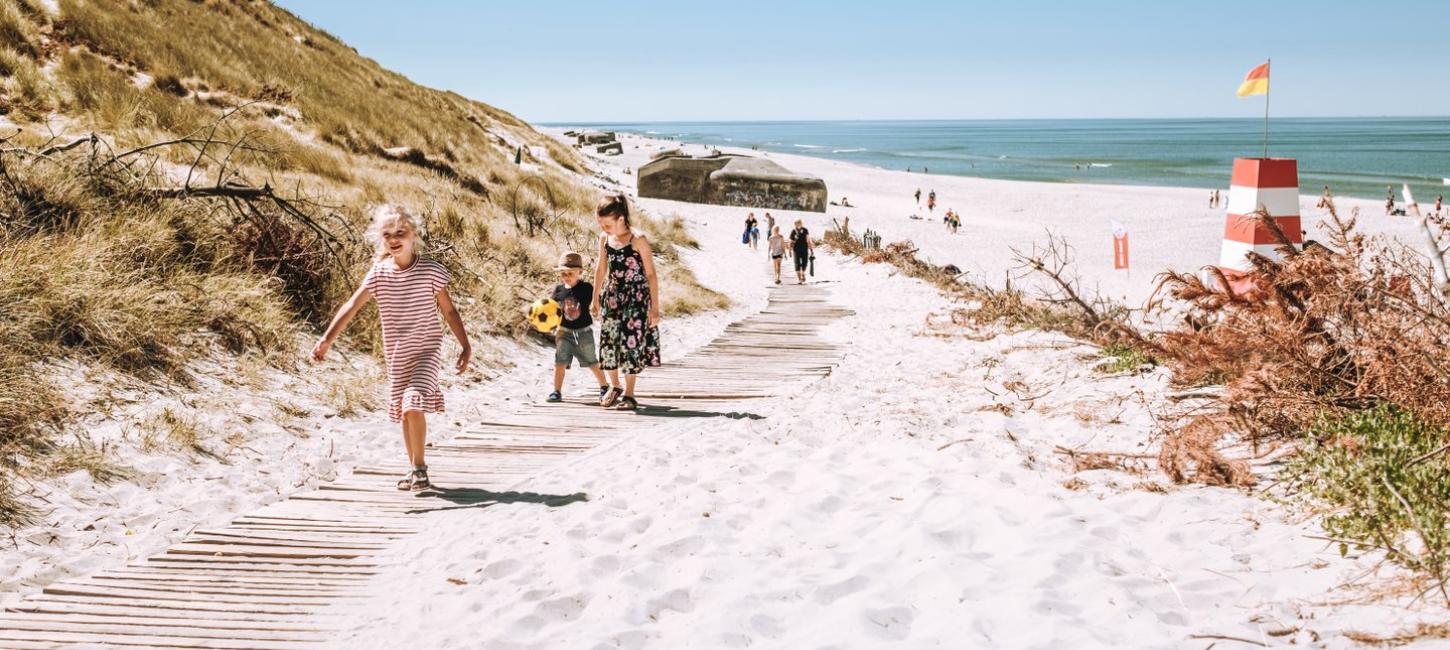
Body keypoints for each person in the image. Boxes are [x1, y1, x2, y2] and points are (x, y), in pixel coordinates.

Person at [312, 205, 471, 491]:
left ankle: (420, 469)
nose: (394, 238)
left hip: (426, 350)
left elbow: (449, 312)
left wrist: (465, 346)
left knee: (413, 402)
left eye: (401, 232)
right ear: (380, 239)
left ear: (414, 235)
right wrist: (326, 340)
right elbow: (351, 307)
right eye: (387, 234)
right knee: (404, 411)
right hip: (398, 356)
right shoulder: (379, 274)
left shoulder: (431, 271)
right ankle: (413, 470)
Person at [592, 195, 661, 411]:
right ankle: (615, 386)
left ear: (621, 219)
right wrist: (595, 298)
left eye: (608, 224)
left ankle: (630, 394)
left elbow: (651, 274)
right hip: (612, 297)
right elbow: (601, 269)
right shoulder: (605, 238)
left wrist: (655, 307)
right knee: (608, 341)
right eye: (602, 224)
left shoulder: (638, 239)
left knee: (631, 344)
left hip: (636, 298)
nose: (604, 228)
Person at [547, 252, 609, 404]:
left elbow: (597, 303)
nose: (566, 276)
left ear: (580, 272)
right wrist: (550, 324)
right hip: (563, 332)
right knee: (560, 362)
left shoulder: (587, 288)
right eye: (563, 273)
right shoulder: (559, 290)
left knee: (592, 361)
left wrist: (597, 308)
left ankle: (604, 386)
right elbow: (552, 309)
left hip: (583, 332)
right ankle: (557, 391)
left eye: (570, 273)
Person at [789, 219, 814, 284]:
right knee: (797, 263)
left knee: (804, 263)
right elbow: (791, 241)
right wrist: (789, 250)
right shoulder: (793, 231)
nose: (798, 224)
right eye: (796, 223)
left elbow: (808, 240)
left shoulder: (805, 230)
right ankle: (799, 279)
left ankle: (803, 273)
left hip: (804, 249)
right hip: (796, 250)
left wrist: (811, 249)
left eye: (799, 223)